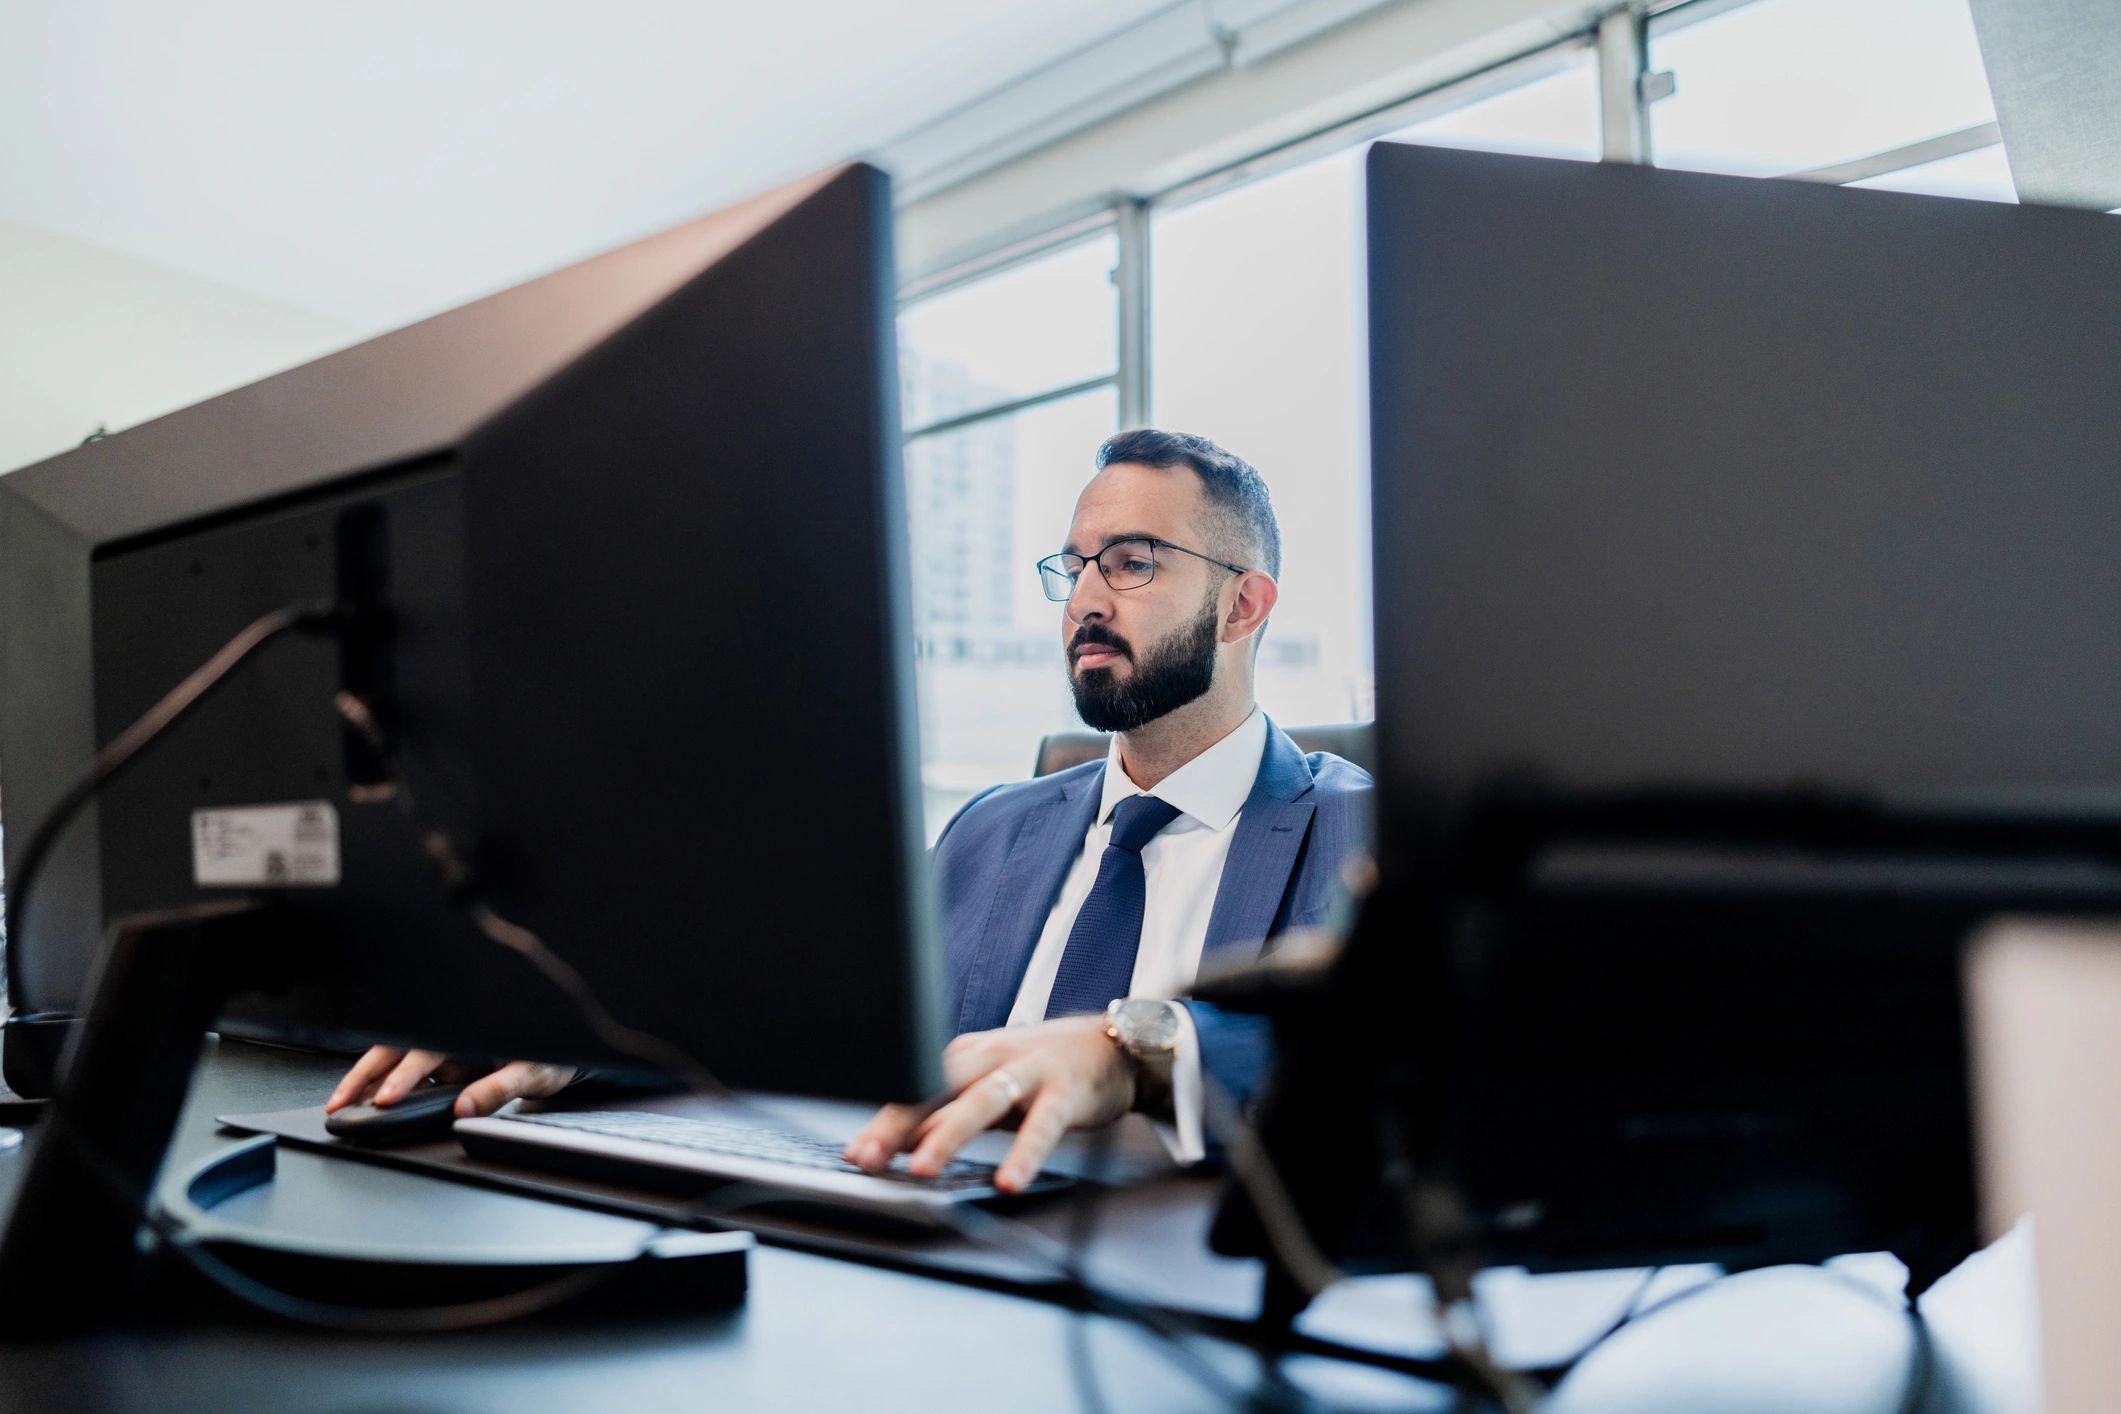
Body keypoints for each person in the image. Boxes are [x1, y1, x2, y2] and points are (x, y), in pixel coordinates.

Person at [327, 428, 1372, 1193]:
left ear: (1243, 604)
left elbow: (1403, 1056)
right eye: (1075, 566)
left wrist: (1135, 1054)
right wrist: (580, 1036)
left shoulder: (1361, 833)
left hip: (1190, 1279)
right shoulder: (992, 828)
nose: (1086, 600)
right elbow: (811, 1008)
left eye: (1133, 562)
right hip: (934, 1242)